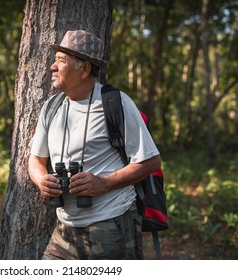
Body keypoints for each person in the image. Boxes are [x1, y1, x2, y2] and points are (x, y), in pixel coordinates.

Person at [28, 30, 161, 260]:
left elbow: (150, 161)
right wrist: (42, 180)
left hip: (112, 222)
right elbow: (36, 159)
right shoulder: (52, 107)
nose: (52, 67)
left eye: (60, 61)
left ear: (85, 69)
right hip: (65, 228)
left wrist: (103, 183)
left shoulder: (116, 103)